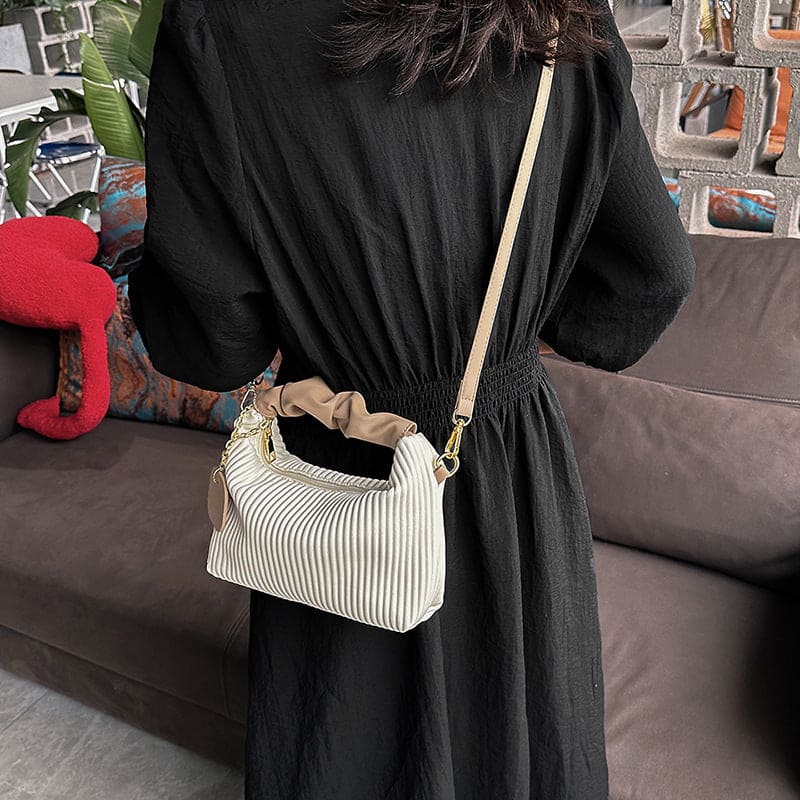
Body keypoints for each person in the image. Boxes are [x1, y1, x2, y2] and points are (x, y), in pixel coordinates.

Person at [127, 0, 696, 797]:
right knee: (524, 742)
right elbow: (652, 278)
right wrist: (499, 346)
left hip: (344, 470)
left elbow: (214, 346)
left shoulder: (221, 20)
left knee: (345, 747)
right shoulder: (562, 11)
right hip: (511, 465)